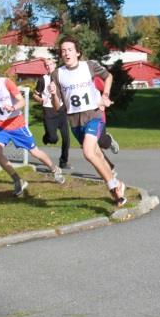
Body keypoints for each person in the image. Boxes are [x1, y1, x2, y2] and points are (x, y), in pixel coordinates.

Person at [49, 36, 126, 206]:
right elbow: (57, 107)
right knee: (97, 155)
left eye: (69, 50)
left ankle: (112, 186)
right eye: (63, 51)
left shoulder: (89, 66)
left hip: (93, 115)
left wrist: (105, 95)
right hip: (75, 121)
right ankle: (117, 188)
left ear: (77, 52)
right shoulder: (57, 74)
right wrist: (53, 93)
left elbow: (108, 77)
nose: (66, 53)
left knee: (88, 153)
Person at [0, 62, 64, 195]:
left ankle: (54, 169)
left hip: (17, 124)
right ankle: (17, 180)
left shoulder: (6, 83)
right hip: (1, 126)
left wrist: (13, 108)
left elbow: (22, 101)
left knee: (35, 152)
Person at [32, 58, 70, 169]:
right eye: (46, 65)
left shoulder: (62, 77)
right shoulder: (42, 80)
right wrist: (41, 100)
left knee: (66, 138)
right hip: (49, 110)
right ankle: (47, 137)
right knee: (53, 139)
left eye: (50, 64)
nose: (48, 67)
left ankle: (63, 162)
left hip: (61, 110)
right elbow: (35, 95)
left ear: (55, 64)